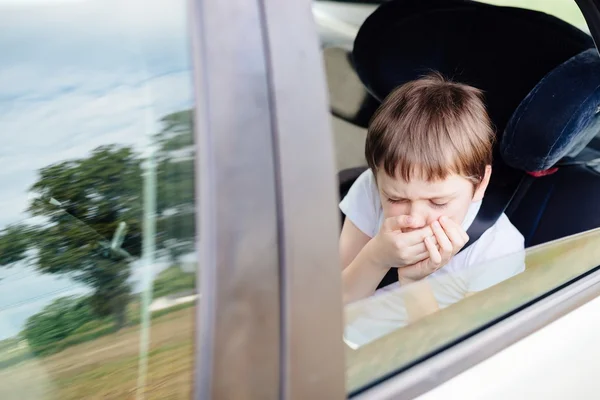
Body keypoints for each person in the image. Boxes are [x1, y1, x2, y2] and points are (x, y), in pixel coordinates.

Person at [339, 73, 525, 347]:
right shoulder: (369, 188)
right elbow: (329, 310)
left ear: (481, 184)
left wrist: (415, 281)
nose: (414, 219)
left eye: (438, 203)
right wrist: (377, 257)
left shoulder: (499, 251)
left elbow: (447, 352)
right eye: (394, 199)